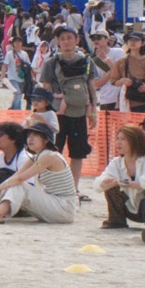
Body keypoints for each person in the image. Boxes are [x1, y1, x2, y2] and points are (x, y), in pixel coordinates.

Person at [0, 121, 77, 225]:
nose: (30, 138)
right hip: (54, 204)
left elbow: (20, 179)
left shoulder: (50, 156)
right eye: (29, 135)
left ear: (46, 139)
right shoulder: (36, 157)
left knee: (20, 185)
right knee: (9, 184)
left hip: (64, 208)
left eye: (35, 135)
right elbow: (15, 176)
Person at [39, 26, 99, 199]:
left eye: (69, 38)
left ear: (77, 40)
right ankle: (53, 188)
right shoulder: (51, 63)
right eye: (62, 38)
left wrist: (93, 112)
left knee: (78, 153)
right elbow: (46, 90)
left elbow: (91, 88)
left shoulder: (87, 62)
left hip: (79, 113)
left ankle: (74, 189)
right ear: (57, 42)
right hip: (57, 115)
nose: (66, 42)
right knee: (53, 152)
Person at [95, 123, 145, 230]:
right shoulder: (116, 162)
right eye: (118, 138)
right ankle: (116, 221)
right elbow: (97, 185)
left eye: (123, 139)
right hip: (128, 208)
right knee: (111, 187)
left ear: (135, 141)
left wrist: (122, 182)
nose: (118, 142)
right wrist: (107, 183)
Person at [109, 32, 145, 114]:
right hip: (126, 102)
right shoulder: (121, 62)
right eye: (130, 40)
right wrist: (122, 81)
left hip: (144, 102)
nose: (132, 42)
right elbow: (114, 81)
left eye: (136, 40)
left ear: (143, 43)